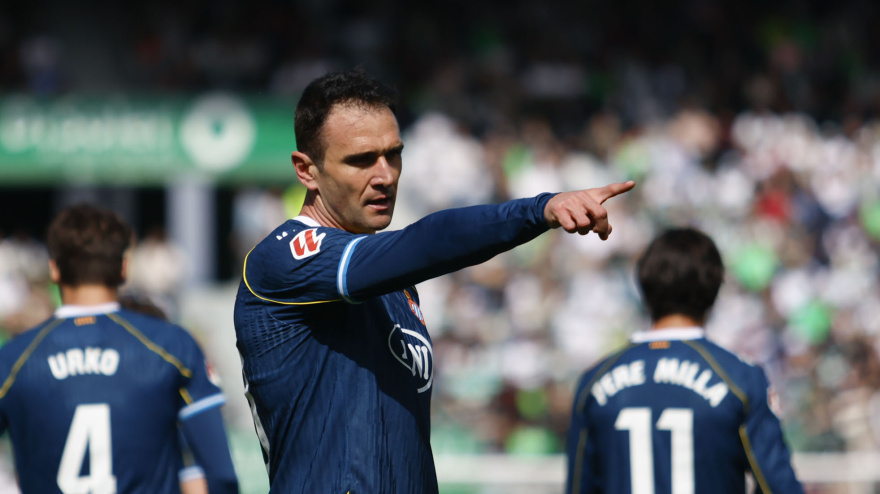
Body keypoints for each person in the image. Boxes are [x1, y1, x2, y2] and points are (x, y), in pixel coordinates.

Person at [233, 68, 635, 493]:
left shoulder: (396, 287)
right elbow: (427, 240)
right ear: (306, 170)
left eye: (393, 154)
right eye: (361, 160)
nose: (385, 175)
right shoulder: (282, 259)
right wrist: (538, 209)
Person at [0, 204, 239, 494]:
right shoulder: (171, 346)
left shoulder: (13, 360)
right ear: (124, 267)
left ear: (53, 269)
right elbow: (221, 475)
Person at [565, 227, 803, 494]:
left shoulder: (594, 383)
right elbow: (779, 487)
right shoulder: (739, 379)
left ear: (643, 286)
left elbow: (579, 488)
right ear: (714, 287)